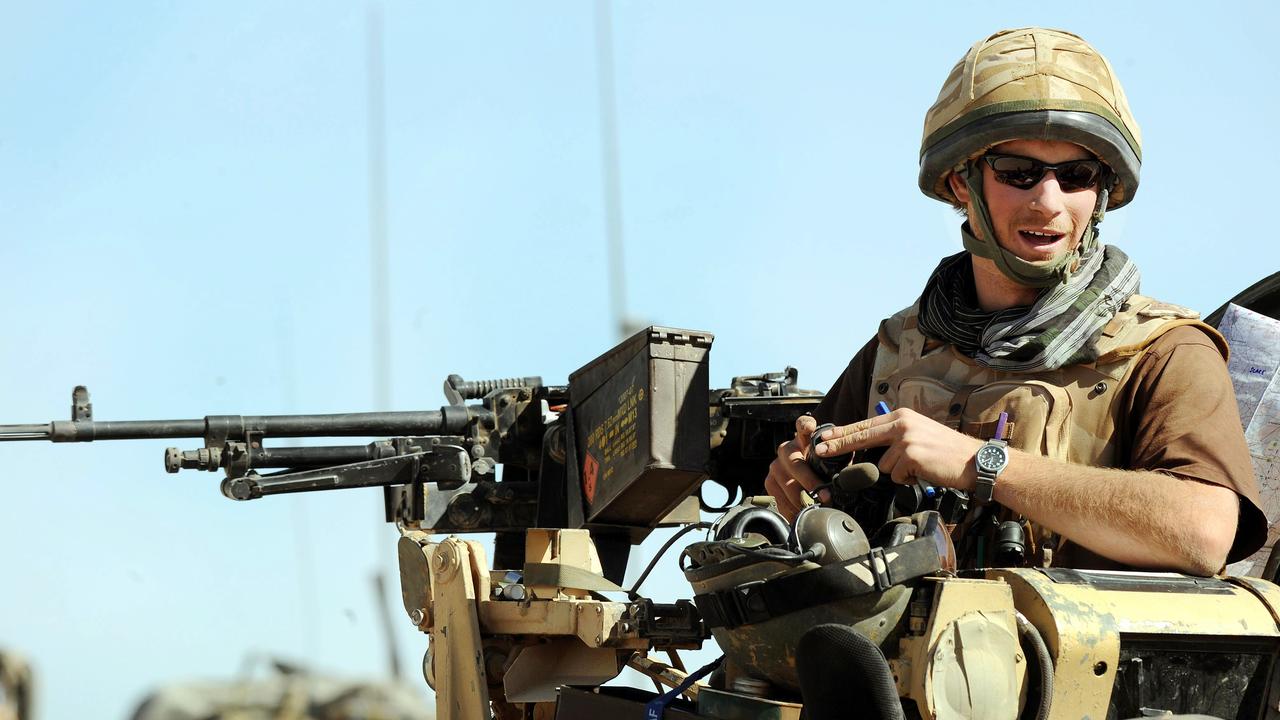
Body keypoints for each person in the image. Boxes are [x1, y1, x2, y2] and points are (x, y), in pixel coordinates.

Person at [765, 27, 1265, 576]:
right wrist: (796, 485)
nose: (1048, 202)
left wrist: (982, 464)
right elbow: (801, 519)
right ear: (961, 182)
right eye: (1017, 172)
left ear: (1101, 193)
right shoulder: (898, 349)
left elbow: (1204, 532)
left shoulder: (1162, 351)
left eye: (1076, 176)